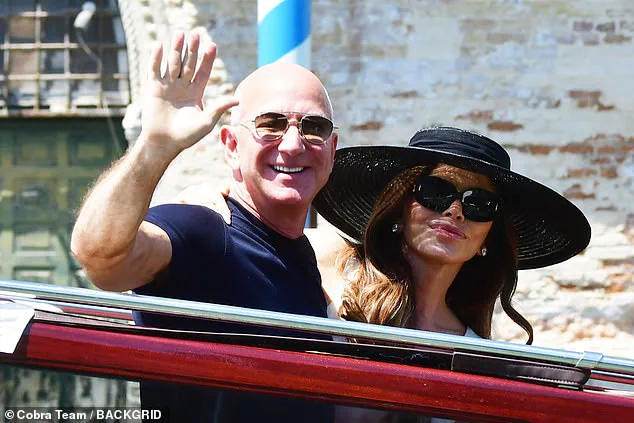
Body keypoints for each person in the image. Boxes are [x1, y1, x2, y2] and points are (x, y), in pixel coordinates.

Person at [70, 30, 338, 422]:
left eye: (314, 127)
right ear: (231, 146)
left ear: (332, 150)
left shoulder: (310, 258)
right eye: (271, 124)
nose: (293, 144)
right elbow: (100, 257)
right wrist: (154, 146)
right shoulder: (206, 231)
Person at [311, 126, 591, 343]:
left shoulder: (475, 352)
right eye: (436, 192)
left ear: (488, 238)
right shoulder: (327, 270)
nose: (455, 211)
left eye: (479, 204)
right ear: (398, 208)